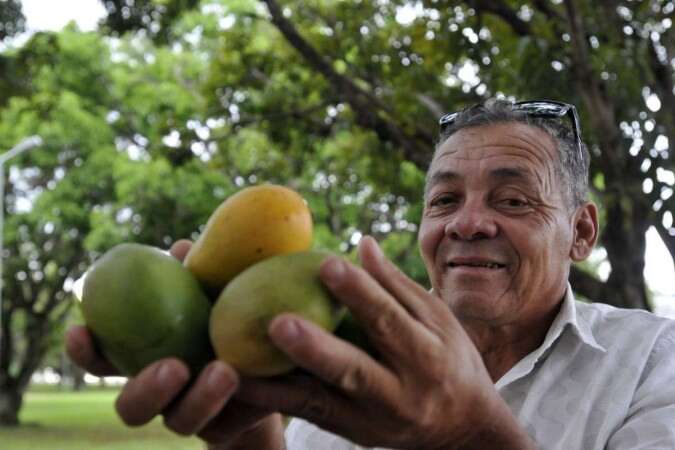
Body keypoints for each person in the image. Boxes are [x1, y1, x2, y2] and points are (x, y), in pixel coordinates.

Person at [66, 99, 675, 449]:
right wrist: (252, 437)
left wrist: (466, 432)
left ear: (583, 233)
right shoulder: (332, 352)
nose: (467, 224)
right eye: (443, 201)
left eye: (512, 201)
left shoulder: (654, 362)